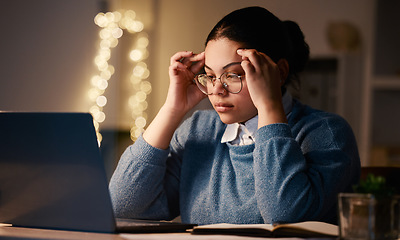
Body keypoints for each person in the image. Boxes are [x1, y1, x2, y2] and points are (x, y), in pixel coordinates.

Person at [109, 6, 360, 225]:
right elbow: (124, 207)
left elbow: (284, 216)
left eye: (233, 74)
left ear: (279, 72)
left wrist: (270, 106)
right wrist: (172, 110)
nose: (217, 89)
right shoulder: (199, 130)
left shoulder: (326, 133)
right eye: (210, 75)